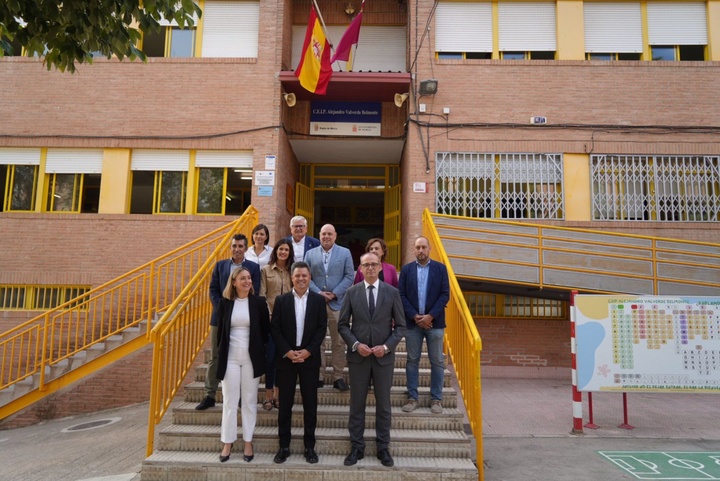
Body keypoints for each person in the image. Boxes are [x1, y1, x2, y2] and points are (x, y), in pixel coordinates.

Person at [338, 252, 406, 467]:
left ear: (380, 267)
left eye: (373, 264)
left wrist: (386, 347)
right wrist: (356, 345)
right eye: (365, 265)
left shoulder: (392, 293)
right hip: (359, 358)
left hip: (382, 359)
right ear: (359, 268)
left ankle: (383, 448)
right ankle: (357, 447)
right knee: (356, 404)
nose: (369, 268)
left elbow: (401, 326)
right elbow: (342, 325)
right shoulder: (351, 292)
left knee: (384, 405)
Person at [270, 261, 328, 465]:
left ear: (310, 277)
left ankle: (309, 447)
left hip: (309, 360)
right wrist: (287, 351)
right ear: (291, 278)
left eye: (305, 275)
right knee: (285, 405)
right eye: (297, 276)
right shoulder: (281, 300)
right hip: (286, 360)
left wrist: (308, 351)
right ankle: (283, 446)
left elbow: (322, 328)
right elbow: (275, 329)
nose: (301, 279)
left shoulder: (319, 301)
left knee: (310, 405)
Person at [196, 233, 261, 411]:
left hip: (244, 320)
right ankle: (210, 394)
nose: (237, 249)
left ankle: (240, 395)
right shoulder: (220, 266)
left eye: (240, 246)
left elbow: (254, 291)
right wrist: (222, 309)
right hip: (220, 319)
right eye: (234, 246)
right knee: (216, 355)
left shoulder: (253, 268)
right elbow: (213, 289)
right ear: (230, 247)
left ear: (246, 248)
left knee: (243, 357)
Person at [215, 266, 270, 463]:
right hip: (229, 358)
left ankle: (248, 441)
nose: (247, 281)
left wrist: (258, 350)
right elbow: (221, 333)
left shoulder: (258, 303)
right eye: (243, 278)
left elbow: (265, 331)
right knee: (230, 402)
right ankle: (227, 442)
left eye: (249, 278)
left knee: (248, 401)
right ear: (234, 282)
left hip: (251, 358)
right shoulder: (225, 303)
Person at [398, 236, 450, 415]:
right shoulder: (406, 270)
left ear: (429, 249)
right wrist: (415, 316)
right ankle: (412, 397)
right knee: (412, 361)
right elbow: (401, 295)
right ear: (414, 250)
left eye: (423, 247)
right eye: (418, 247)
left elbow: (445, 295)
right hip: (413, 324)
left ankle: (436, 399)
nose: (420, 250)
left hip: (435, 324)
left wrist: (430, 316)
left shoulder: (441, 269)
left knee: (437, 361)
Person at [305, 224, 354, 390]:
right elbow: (306, 277)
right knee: (317, 341)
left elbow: (349, 276)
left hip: (337, 303)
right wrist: (319, 293)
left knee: (338, 341)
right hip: (316, 303)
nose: (326, 236)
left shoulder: (345, 252)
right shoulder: (310, 254)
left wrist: (334, 293)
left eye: (329, 234)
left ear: (335, 236)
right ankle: (318, 375)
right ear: (319, 235)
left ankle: (338, 376)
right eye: (323, 234)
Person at [259, 239, 294, 411]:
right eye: (281, 249)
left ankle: (279, 395)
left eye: (286, 250)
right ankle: (268, 395)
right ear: (276, 251)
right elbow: (262, 294)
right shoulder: (265, 270)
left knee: (283, 359)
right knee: (271, 358)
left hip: (288, 322)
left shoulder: (292, 271)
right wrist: (269, 314)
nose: (283, 252)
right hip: (271, 320)